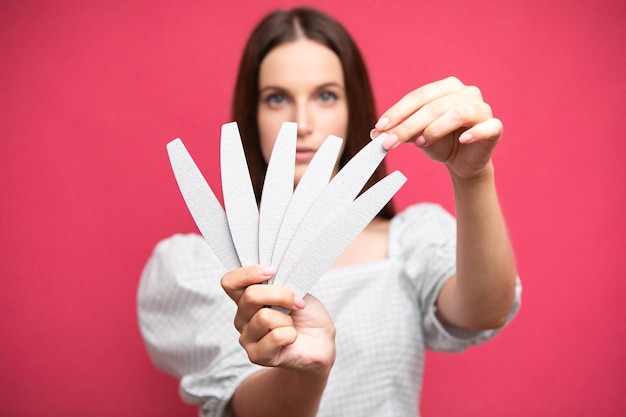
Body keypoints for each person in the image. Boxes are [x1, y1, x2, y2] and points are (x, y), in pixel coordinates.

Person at [138, 6, 521, 417]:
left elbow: (484, 311)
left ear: (352, 108)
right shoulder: (196, 267)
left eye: (325, 96)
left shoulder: (411, 243)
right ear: (253, 115)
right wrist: (306, 372)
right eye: (277, 98)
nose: (302, 122)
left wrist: (473, 176)